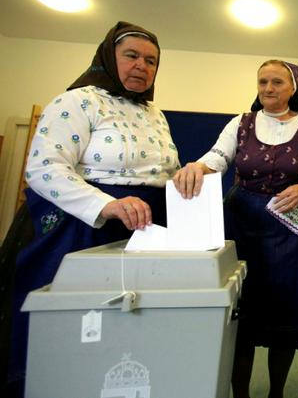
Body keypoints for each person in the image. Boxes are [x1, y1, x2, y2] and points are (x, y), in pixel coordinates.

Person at [5, 21, 180, 397]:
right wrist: (108, 205)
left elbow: (162, 170)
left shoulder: (155, 113)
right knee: (75, 326)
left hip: (142, 230)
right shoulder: (77, 101)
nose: (142, 65)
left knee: (126, 329)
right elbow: (43, 168)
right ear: (108, 58)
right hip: (83, 227)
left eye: (151, 60)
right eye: (131, 55)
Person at [173, 59, 298, 398]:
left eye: (277, 82)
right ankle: (241, 395)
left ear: (293, 88)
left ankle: (277, 392)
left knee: (284, 314)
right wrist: (196, 168)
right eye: (263, 82)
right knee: (242, 313)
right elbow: (217, 158)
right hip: (243, 225)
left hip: (289, 230)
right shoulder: (241, 123)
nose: (268, 88)